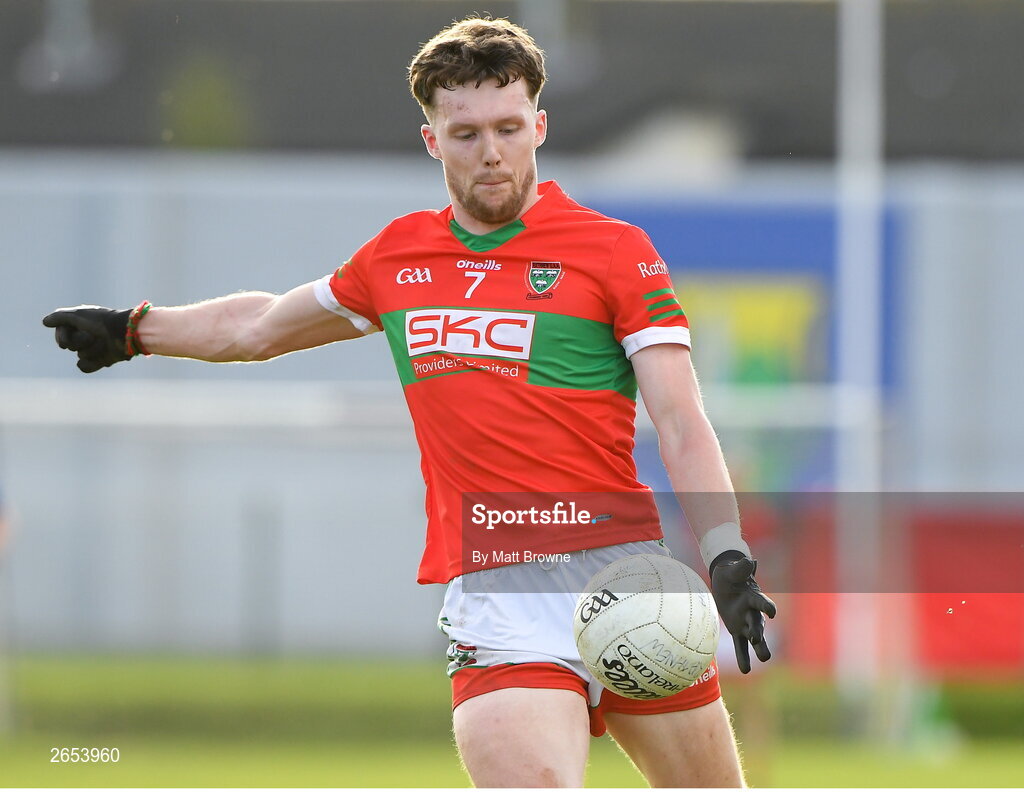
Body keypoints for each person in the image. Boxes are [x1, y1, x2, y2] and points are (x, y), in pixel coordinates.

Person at [42, 16, 776, 787]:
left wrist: (725, 552)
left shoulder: (615, 252)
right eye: (465, 134)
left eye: (508, 128)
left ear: (539, 127)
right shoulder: (397, 257)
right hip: (499, 599)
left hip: (626, 583)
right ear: (433, 140)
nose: (490, 152)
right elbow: (259, 327)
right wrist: (135, 330)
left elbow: (680, 419)